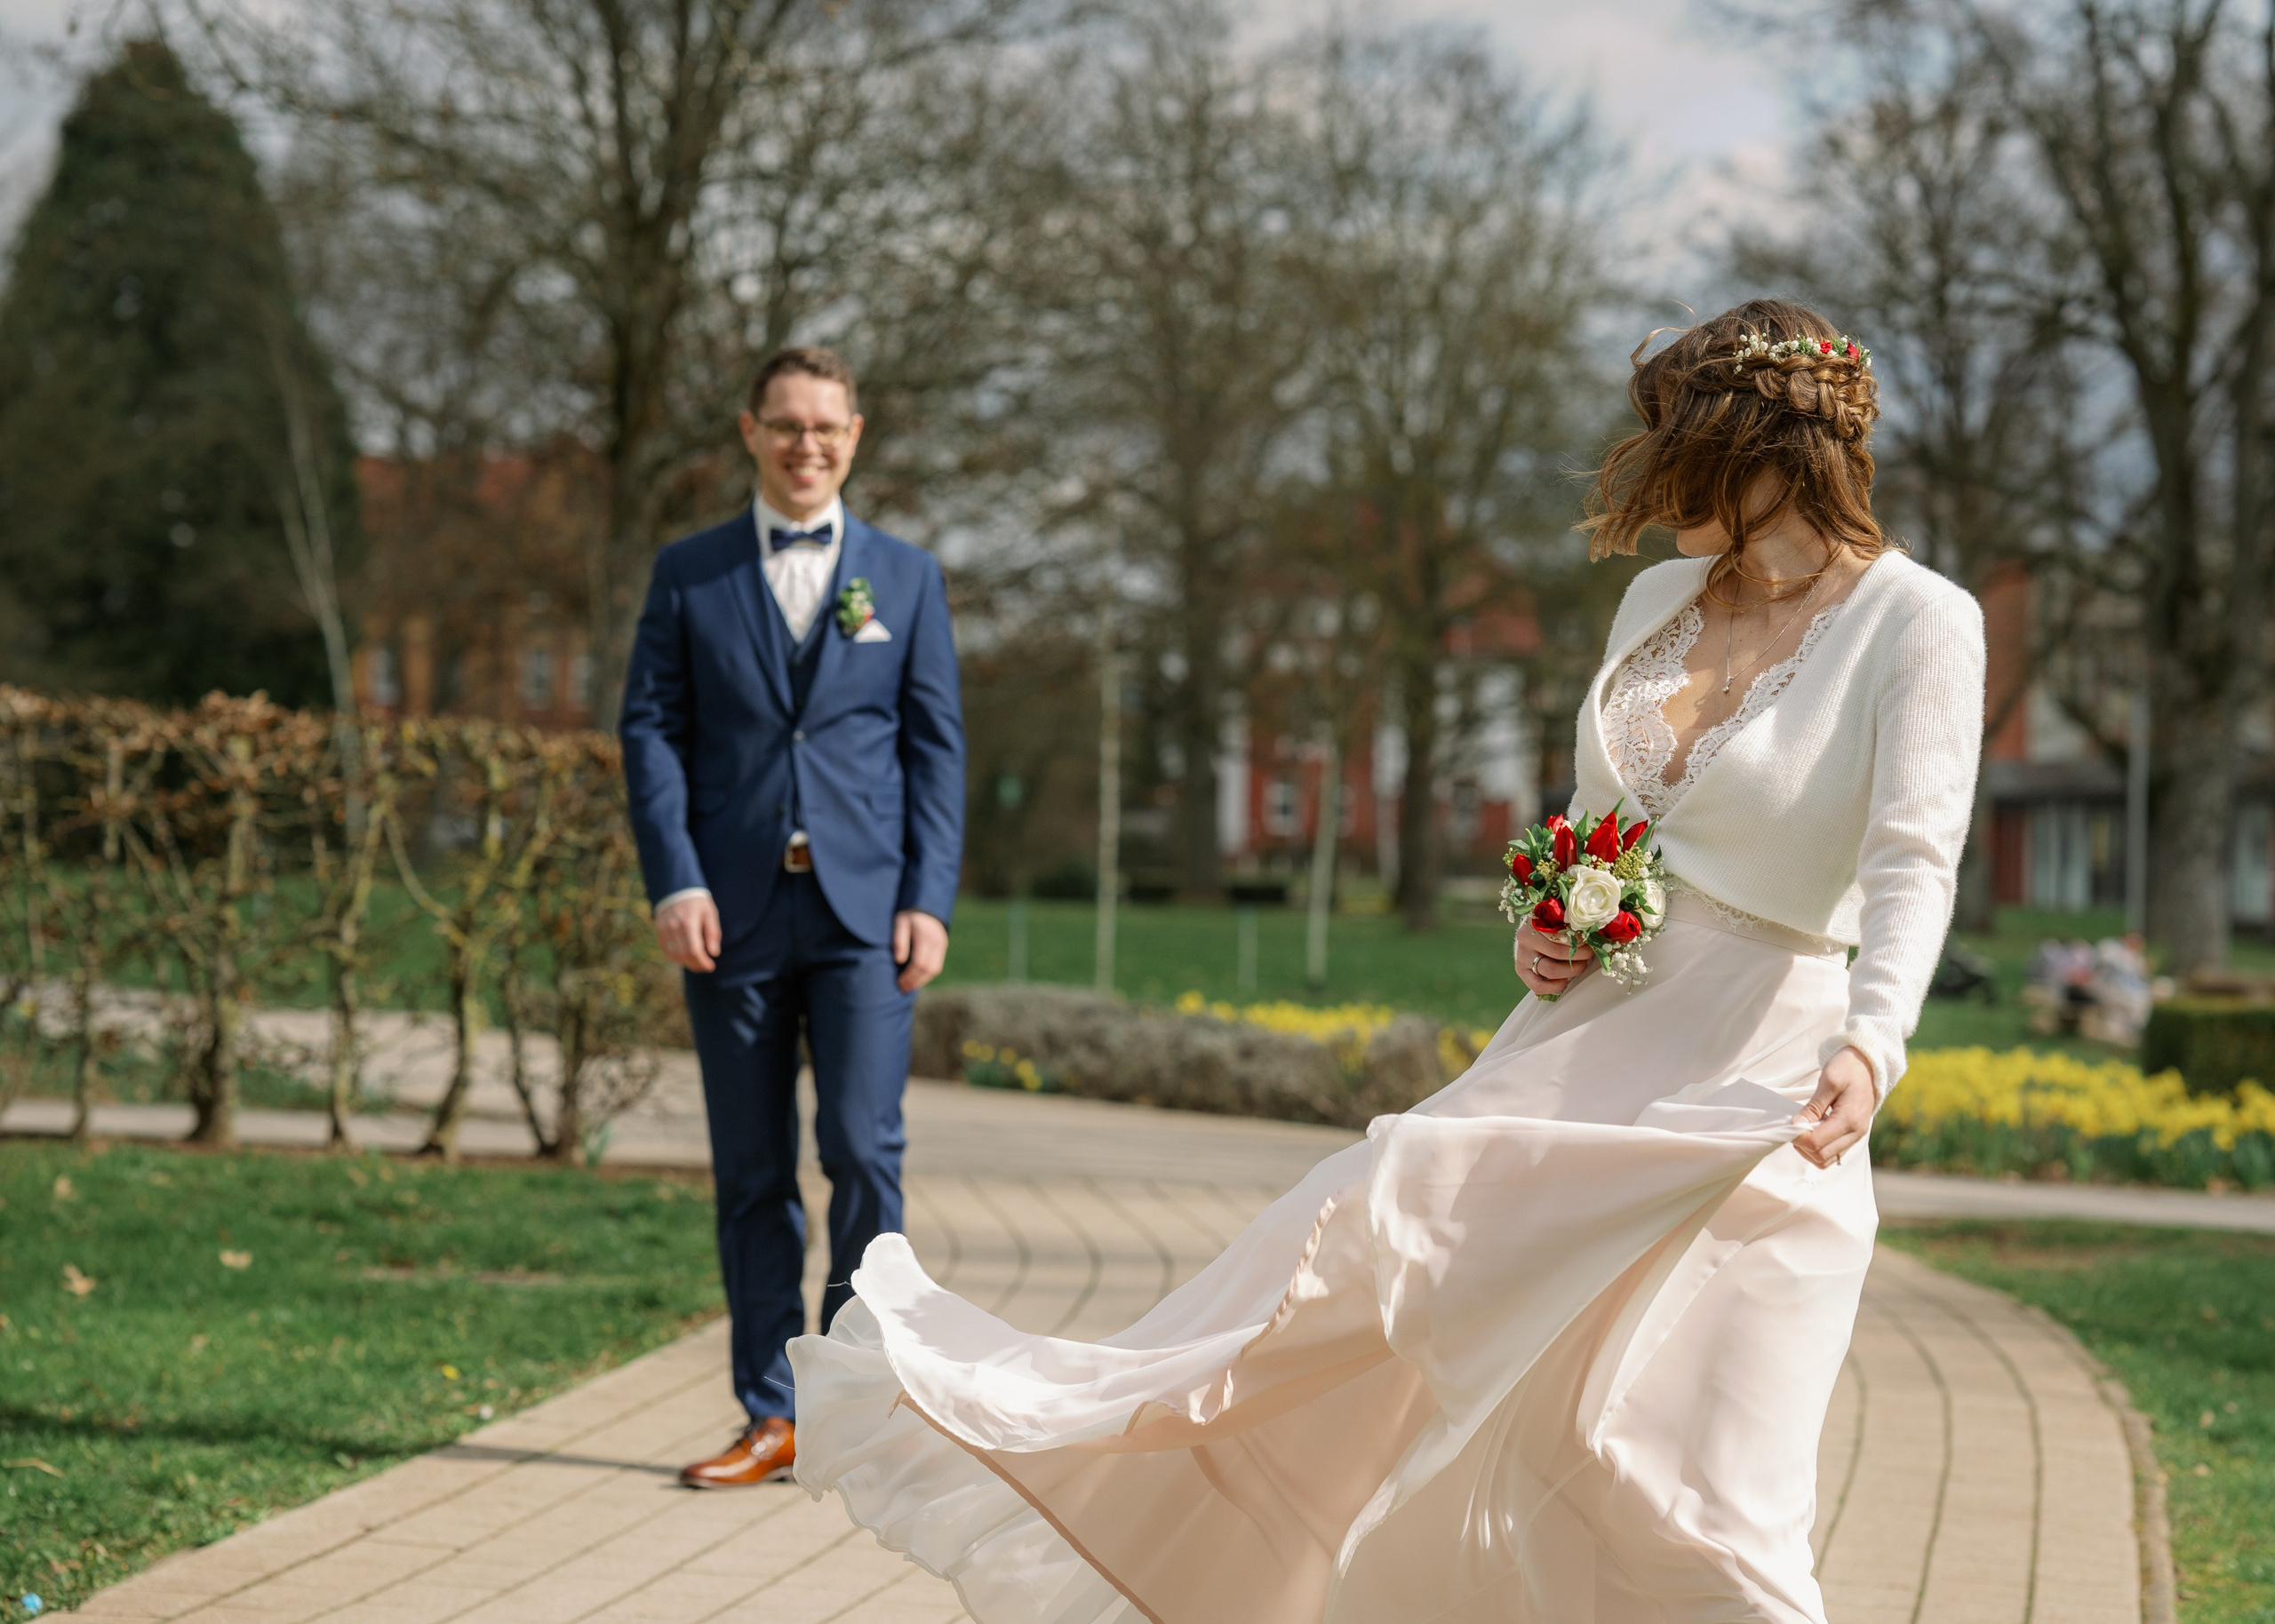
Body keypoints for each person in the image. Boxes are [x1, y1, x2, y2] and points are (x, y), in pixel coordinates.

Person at [786, 301, 1984, 1623]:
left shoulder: (1920, 623)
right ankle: (1083, 1436)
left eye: (1669, 450)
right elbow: (1622, 825)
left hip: (1765, 1088)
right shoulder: (1655, 601)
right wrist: (1563, 915)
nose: (1646, 489)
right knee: (1368, 1250)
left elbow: (1912, 861)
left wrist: (1875, 1045)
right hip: (1580, 1047)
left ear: (1751, 446)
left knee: (1688, 1486)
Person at [620, 346, 964, 1489]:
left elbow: (934, 751)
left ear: (855, 434)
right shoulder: (689, 573)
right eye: (783, 425)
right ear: (748, 432)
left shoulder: (907, 578)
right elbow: (651, 733)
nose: (804, 444)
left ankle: (867, 1404)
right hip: (732, 912)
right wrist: (674, 878)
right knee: (752, 1170)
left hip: (867, 913)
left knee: (864, 1152)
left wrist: (927, 896)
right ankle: (772, 1412)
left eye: (824, 426)